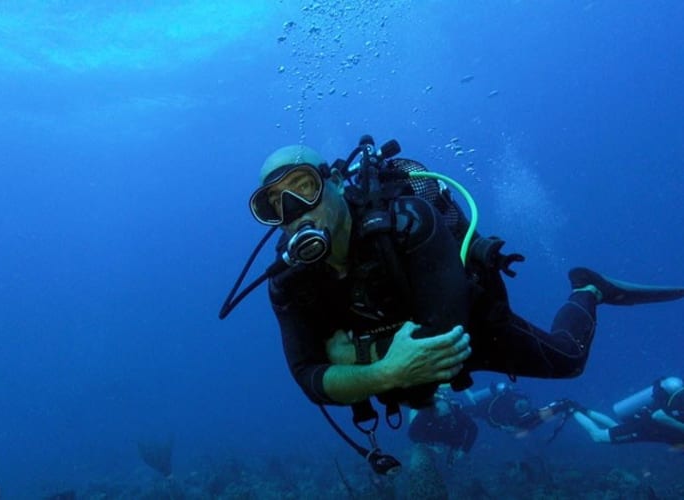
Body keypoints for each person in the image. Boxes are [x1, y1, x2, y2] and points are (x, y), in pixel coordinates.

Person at [225, 138, 684, 471]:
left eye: (303, 187)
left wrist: (351, 360)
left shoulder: (407, 220)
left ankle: (587, 288)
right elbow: (309, 380)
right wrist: (386, 371)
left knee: (569, 361)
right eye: (273, 206)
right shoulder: (289, 282)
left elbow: (441, 344)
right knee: (412, 390)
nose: (294, 210)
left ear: (335, 184)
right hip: (408, 364)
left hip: (472, 329)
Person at [572, 376, 684, 448]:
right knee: (598, 436)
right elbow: (658, 416)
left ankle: (579, 409)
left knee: (615, 426)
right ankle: (570, 409)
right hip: (646, 427)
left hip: (650, 429)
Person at [464, 381, 575, 437]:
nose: (522, 408)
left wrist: (509, 428)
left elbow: (519, 427)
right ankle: (465, 392)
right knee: (472, 406)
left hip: (492, 415)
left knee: (473, 408)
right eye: (521, 406)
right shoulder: (507, 399)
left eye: (523, 407)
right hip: (486, 409)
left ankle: (560, 407)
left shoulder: (521, 409)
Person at [408, 390, 478, 465]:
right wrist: (430, 446)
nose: (445, 420)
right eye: (442, 418)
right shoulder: (425, 414)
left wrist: (464, 450)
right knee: (416, 423)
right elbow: (412, 434)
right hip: (430, 433)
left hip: (444, 433)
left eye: (447, 416)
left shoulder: (456, 412)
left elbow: (473, 428)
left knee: (456, 435)